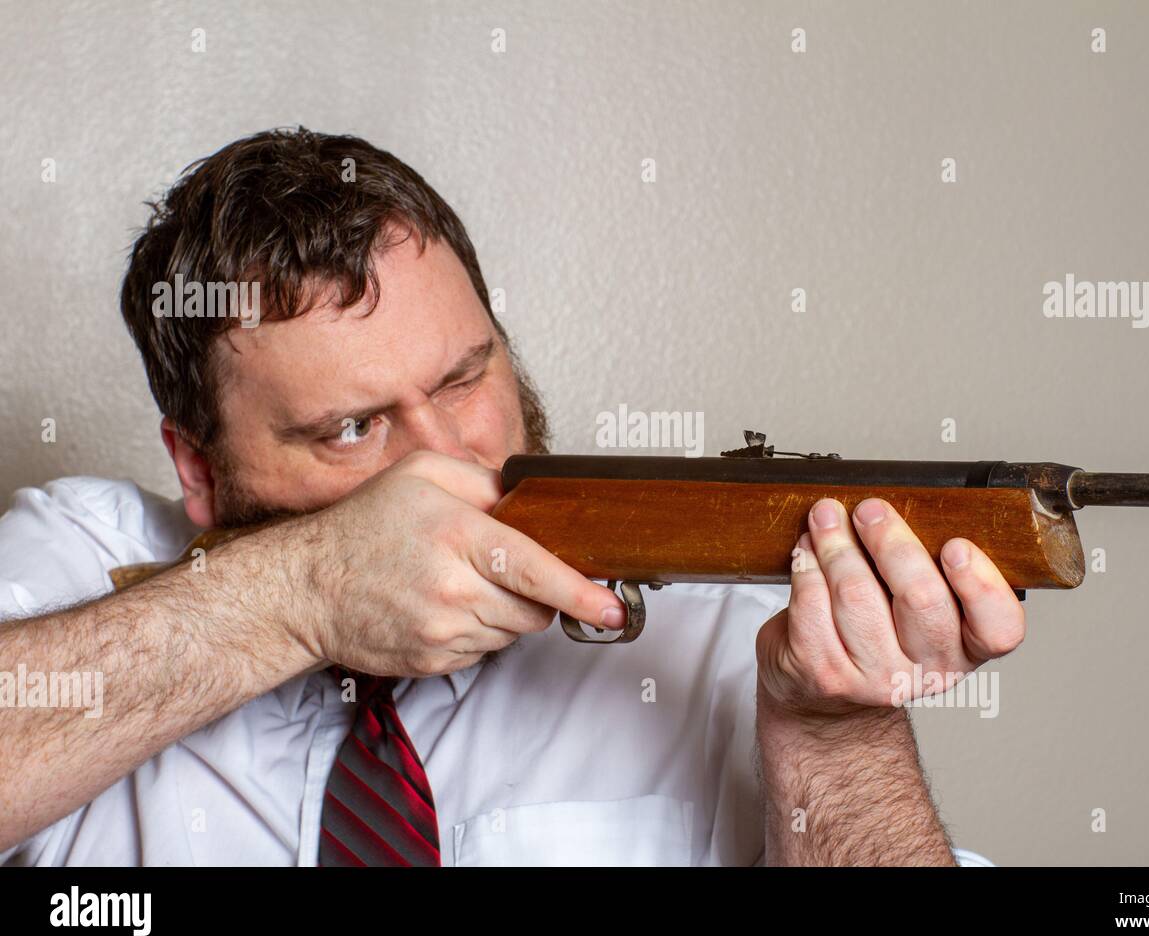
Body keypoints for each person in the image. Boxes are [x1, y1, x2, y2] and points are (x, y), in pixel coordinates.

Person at [0, 128, 1023, 866]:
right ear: (200, 471)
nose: (447, 457)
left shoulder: (721, 645)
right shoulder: (83, 561)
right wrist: (302, 590)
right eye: (352, 427)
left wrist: (836, 739)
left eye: (461, 379)